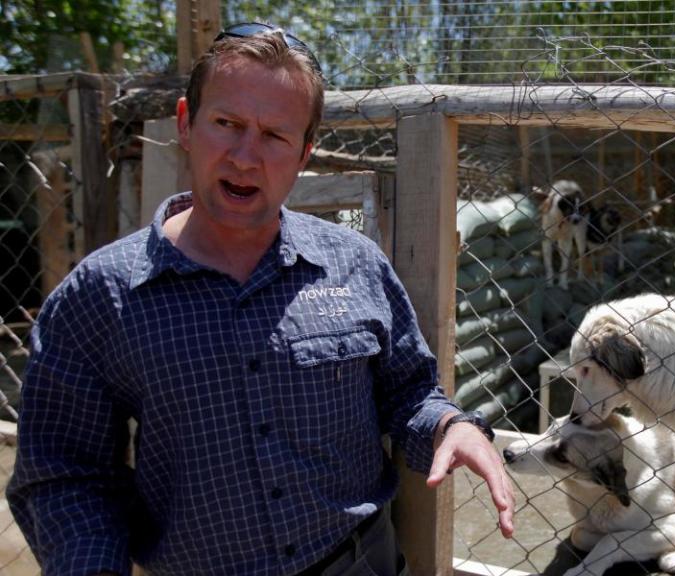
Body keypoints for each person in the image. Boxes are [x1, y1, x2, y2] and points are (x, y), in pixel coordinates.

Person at [7, 23, 514, 576]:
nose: (246, 156)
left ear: (304, 151)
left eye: (275, 135)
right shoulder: (99, 294)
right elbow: (64, 475)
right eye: (227, 124)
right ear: (186, 124)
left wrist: (450, 426)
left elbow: (410, 392)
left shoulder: (354, 263)